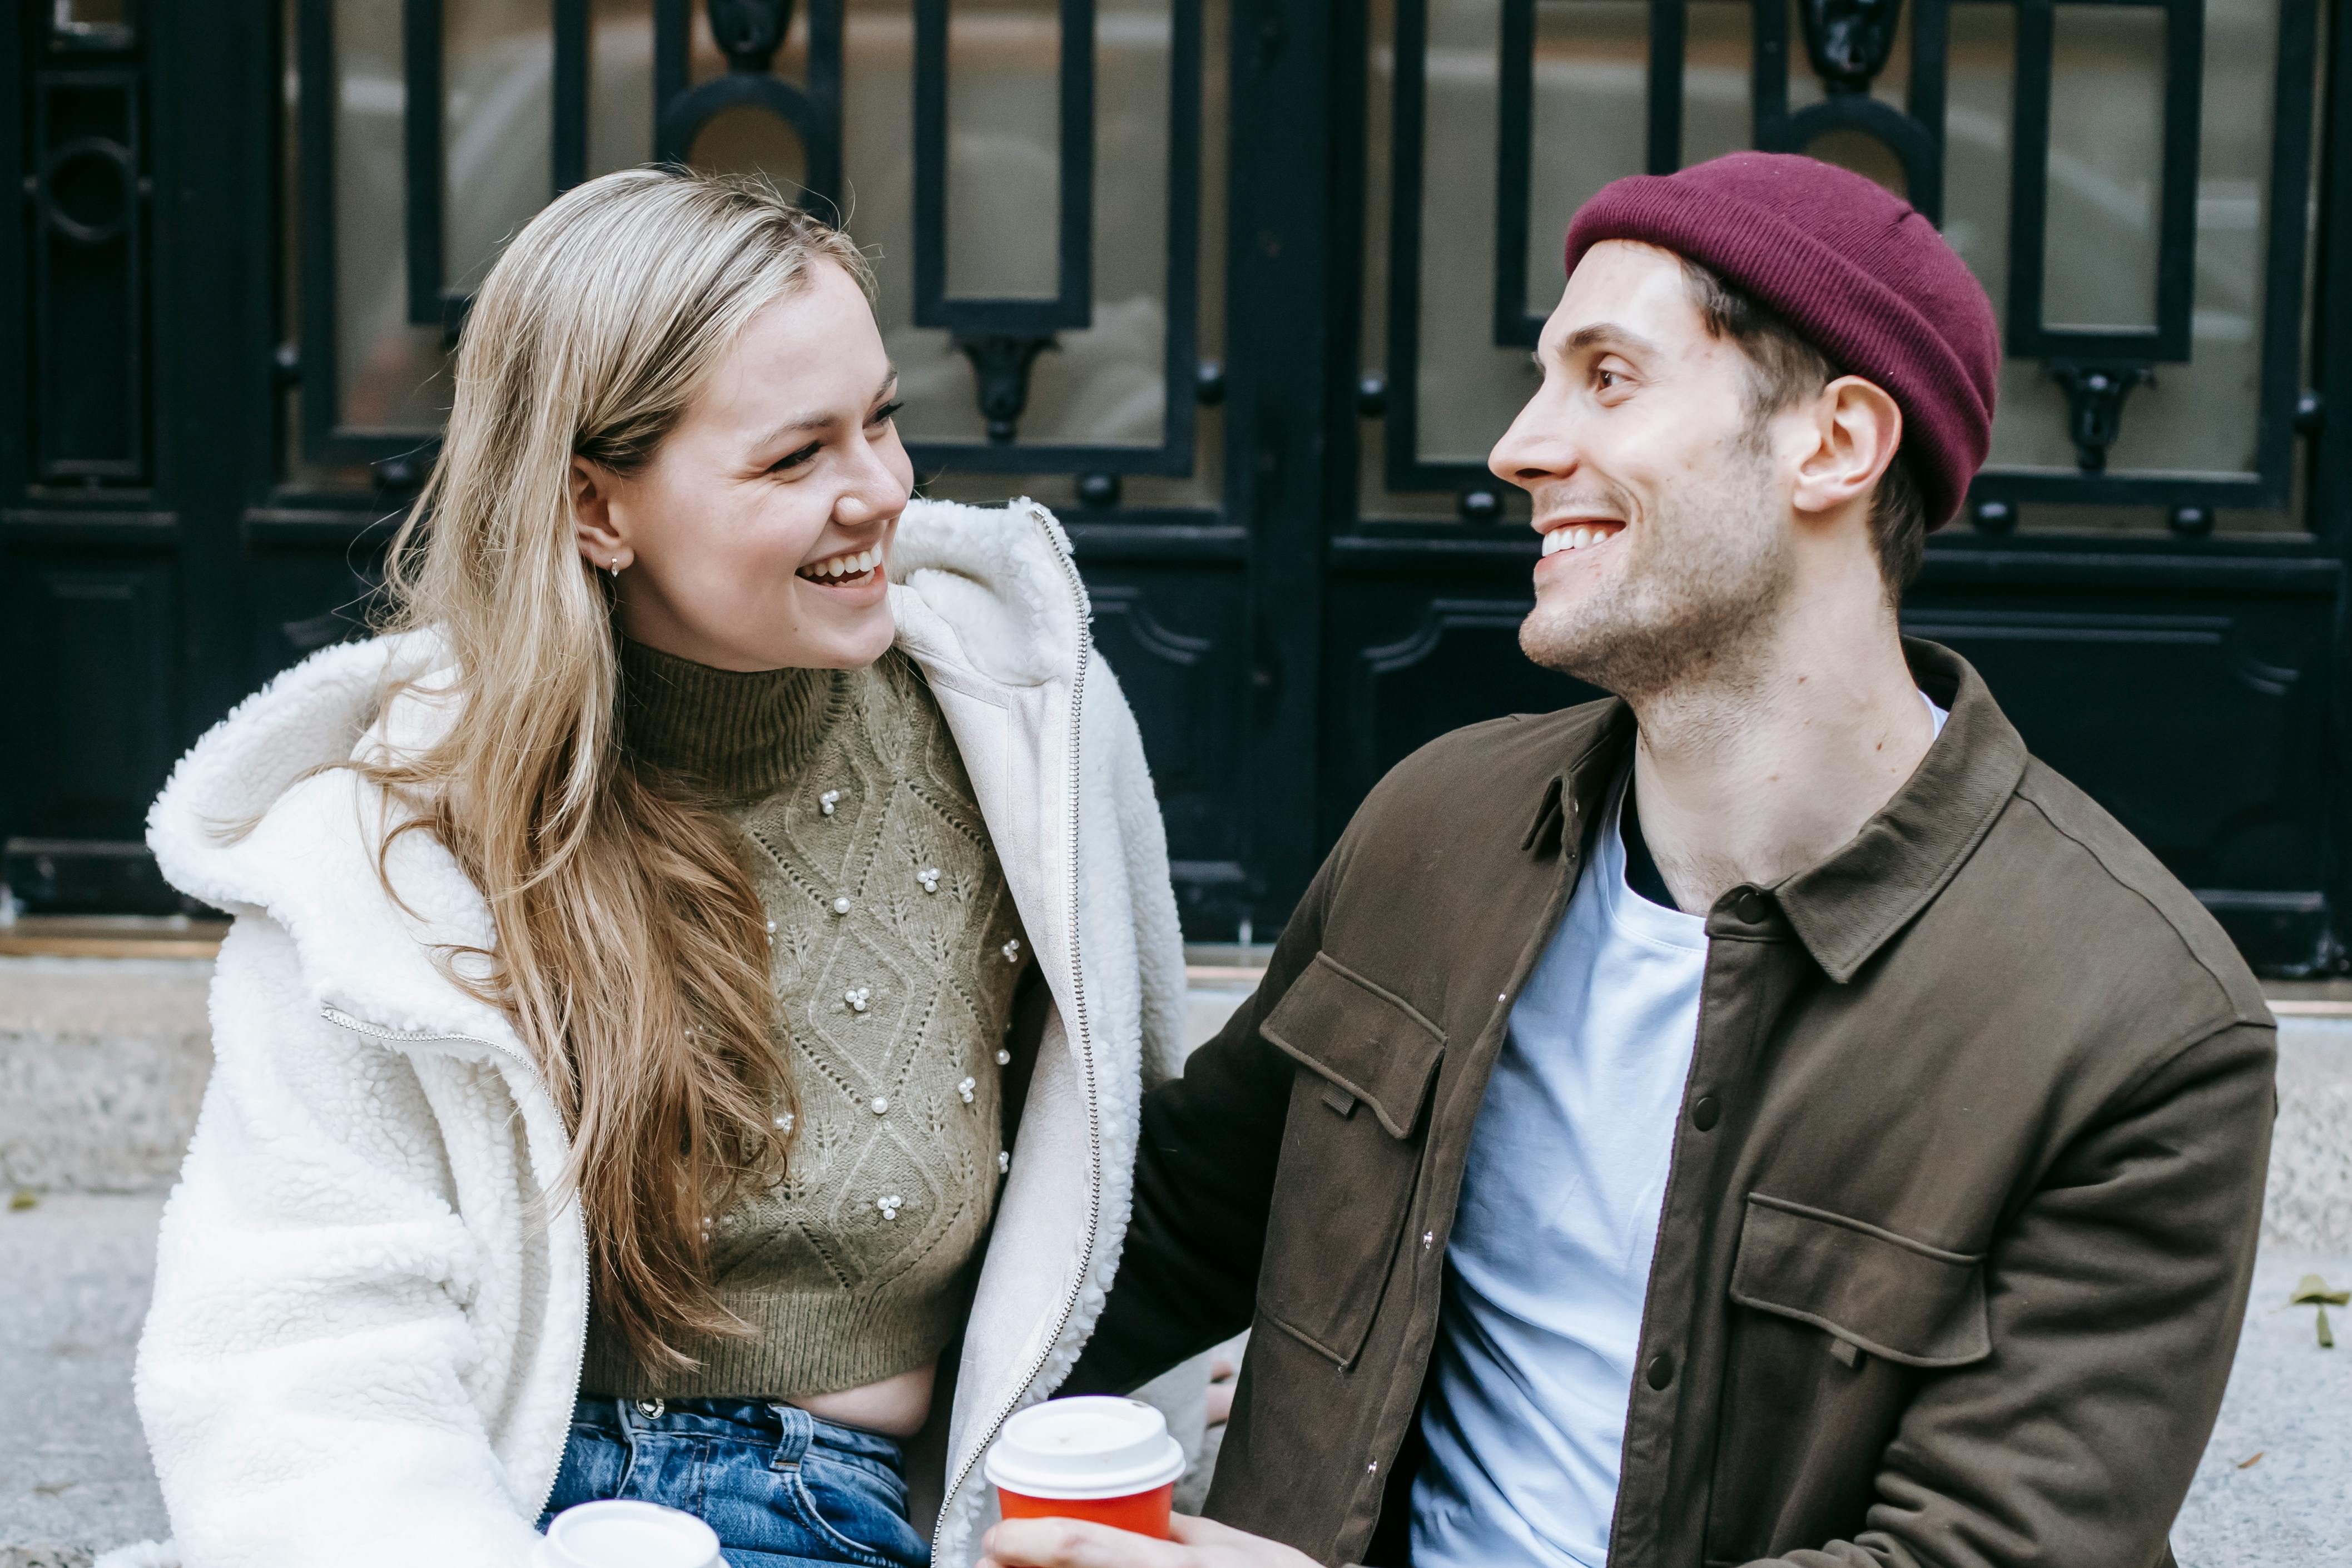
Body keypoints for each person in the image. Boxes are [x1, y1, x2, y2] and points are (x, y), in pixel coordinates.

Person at [982, 152, 2276, 1568]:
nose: (1519, 448)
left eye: (1607, 378)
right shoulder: (1438, 827)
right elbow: (1150, 1235)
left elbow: (1980, 1555)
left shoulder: (2138, 1024)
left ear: (1836, 444)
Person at [107, 167, 1187, 1568]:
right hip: (470, 1487)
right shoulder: (389, 838)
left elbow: (1135, 1160)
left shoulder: (1027, 736)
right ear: (596, 509)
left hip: (831, 1499)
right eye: (797, 459)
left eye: (882, 421)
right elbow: (303, 1342)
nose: (881, 493)